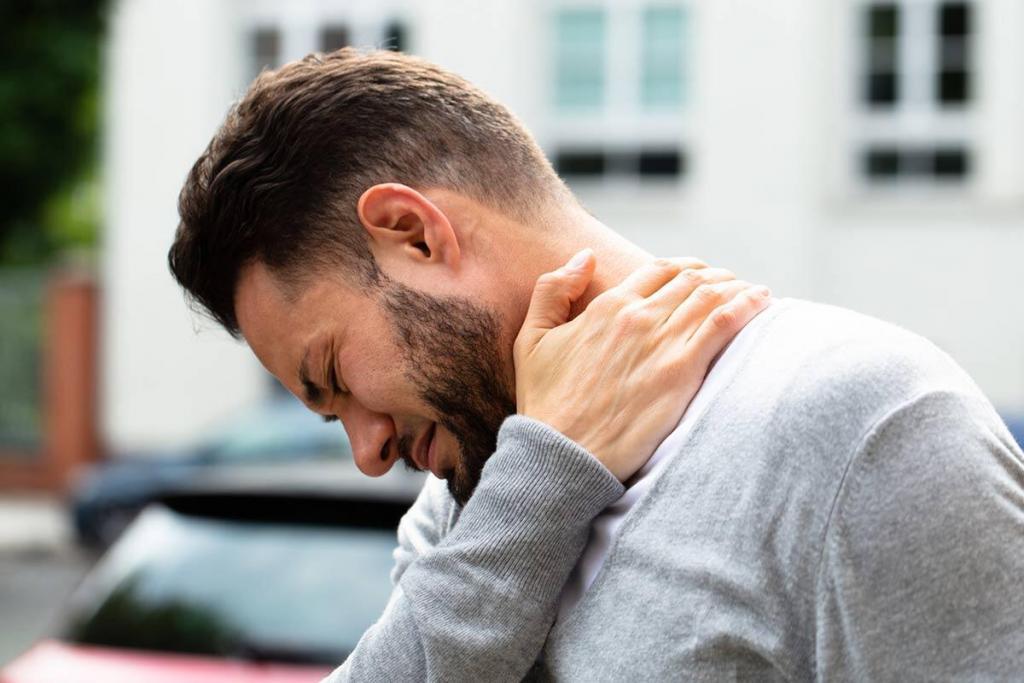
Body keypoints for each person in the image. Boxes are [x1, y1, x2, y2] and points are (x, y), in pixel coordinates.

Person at [168, 49, 1024, 681]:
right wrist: (542, 476)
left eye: (336, 377)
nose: (366, 451)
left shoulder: (860, 424)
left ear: (416, 234)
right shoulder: (478, 500)